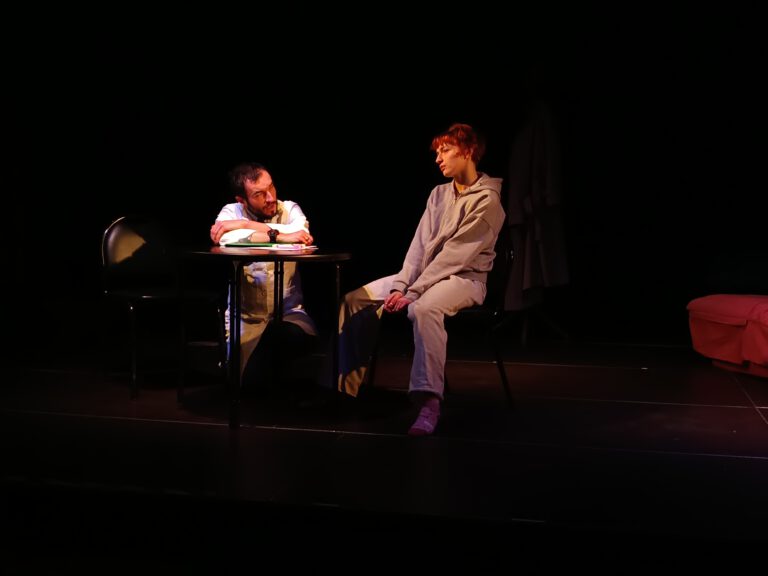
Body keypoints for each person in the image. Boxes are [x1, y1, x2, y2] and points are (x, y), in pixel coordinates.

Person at [337, 123, 506, 436]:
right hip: (424, 277)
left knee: (424, 309)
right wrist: (401, 285)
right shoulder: (439, 193)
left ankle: (429, 404)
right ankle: (344, 390)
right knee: (355, 300)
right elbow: (419, 247)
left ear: (468, 152)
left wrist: (413, 293)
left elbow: (455, 256)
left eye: (445, 151)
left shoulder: (488, 200)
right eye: (437, 152)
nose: (438, 159)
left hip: (464, 279)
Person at [210, 162, 316, 391]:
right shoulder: (230, 212)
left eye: (271, 188)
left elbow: (303, 234)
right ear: (242, 200)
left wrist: (245, 225)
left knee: (287, 339)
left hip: (288, 315)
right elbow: (225, 238)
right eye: (259, 194)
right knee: (247, 384)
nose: (270, 198)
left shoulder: (289, 209)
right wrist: (279, 236)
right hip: (246, 320)